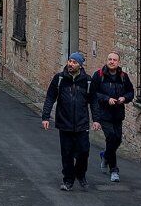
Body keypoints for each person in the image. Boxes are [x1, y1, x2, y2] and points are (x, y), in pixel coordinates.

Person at [41, 52, 99, 191]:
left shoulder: (88, 81)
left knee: (84, 152)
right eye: (70, 61)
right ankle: (68, 180)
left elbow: (94, 101)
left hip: (82, 123)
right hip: (64, 122)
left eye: (74, 62)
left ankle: (80, 174)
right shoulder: (59, 79)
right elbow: (50, 97)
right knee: (66, 154)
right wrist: (45, 117)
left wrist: (96, 120)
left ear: (80, 65)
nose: (71, 64)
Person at [89, 51, 134, 183]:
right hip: (104, 114)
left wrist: (124, 98)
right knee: (111, 137)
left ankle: (105, 155)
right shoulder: (99, 75)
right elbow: (93, 94)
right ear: (106, 60)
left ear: (118, 62)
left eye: (114, 60)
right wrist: (106, 99)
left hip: (118, 114)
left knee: (117, 140)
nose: (112, 61)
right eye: (109, 59)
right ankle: (114, 170)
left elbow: (131, 92)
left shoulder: (123, 76)